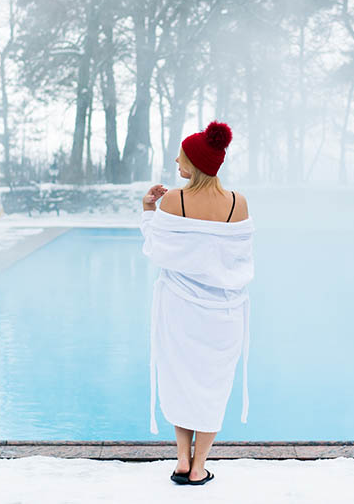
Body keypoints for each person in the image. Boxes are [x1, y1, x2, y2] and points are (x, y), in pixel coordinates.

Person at [139, 120, 254, 486]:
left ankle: (180, 461)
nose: (176, 160)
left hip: (180, 312)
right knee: (212, 385)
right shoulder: (238, 202)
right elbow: (238, 260)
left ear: (196, 163)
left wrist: (147, 209)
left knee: (181, 380)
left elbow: (157, 249)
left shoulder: (175, 200)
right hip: (224, 313)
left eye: (182, 156)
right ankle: (199, 465)